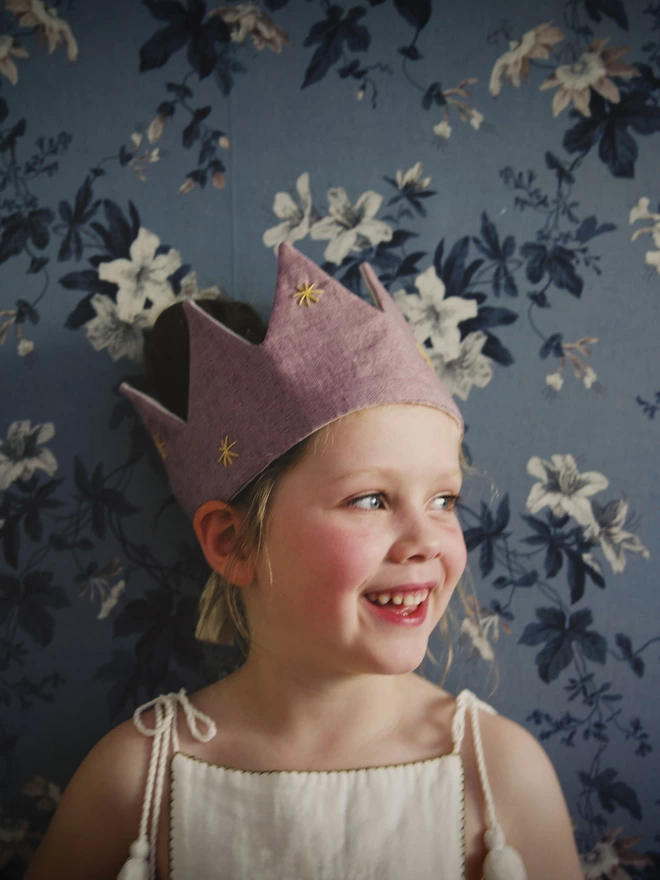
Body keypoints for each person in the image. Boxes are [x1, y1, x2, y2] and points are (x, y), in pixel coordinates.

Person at [25, 243, 583, 880]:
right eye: (371, 499)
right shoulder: (137, 784)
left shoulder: (500, 777)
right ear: (234, 544)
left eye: (444, 499)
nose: (426, 538)